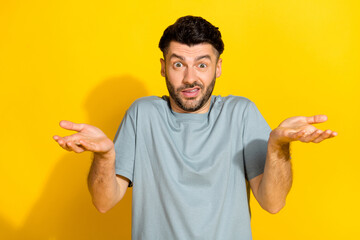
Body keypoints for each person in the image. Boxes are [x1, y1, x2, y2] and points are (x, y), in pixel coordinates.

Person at [53, 16, 337, 240]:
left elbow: (273, 203)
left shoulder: (241, 113)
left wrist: (278, 146)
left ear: (218, 67)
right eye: (179, 64)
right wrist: (104, 157)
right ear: (164, 67)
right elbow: (103, 202)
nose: (190, 78)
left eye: (202, 64)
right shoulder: (143, 114)